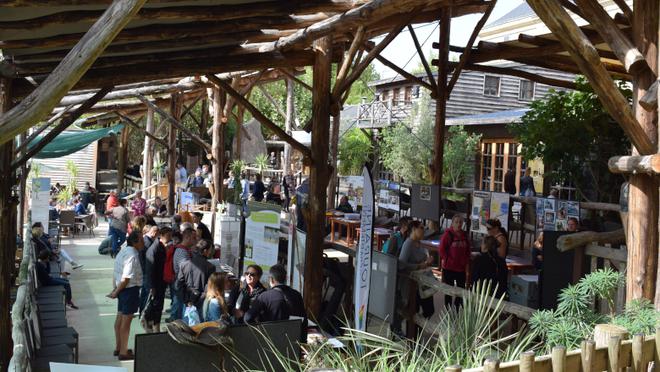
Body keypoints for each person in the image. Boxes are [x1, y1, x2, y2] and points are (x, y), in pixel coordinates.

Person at [108, 231, 144, 361]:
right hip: (129, 290)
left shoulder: (122, 251)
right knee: (126, 322)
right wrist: (116, 292)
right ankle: (124, 351)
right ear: (135, 242)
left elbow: (116, 272)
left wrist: (116, 289)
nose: (143, 242)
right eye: (141, 240)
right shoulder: (132, 255)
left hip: (122, 290)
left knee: (119, 318)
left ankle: (118, 347)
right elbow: (126, 278)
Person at [398, 221, 434, 318]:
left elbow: (423, 260)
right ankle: (414, 332)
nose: (424, 231)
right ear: (414, 229)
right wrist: (418, 266)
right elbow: (401, 265)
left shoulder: (420, 243)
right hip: (412, 285)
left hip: (423, 283)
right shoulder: (408, 244)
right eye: (421, 228)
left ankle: (418, 330)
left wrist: (428, 261)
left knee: (429, 310)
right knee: (414, 311)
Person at [438, 215, 471, 308]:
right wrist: (448, 259)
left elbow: (468, 251)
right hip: (449, 268)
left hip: (461, 269)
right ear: (452, 223)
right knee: (448, 291)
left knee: (460, 291)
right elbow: (441, 250)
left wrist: (466, 262)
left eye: (460, 222)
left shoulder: (465, 235)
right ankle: (447, 311)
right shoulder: (448, 235)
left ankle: (457, 309)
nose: (459, 224)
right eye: (456, 222)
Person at [177, 240, 216, 318]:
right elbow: (208, 287)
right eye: (210, 250)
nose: (211, 252)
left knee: (186, 326)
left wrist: (186, 301)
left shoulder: (184, 265)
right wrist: (198, 300)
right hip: (201, 302)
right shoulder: (210, 267)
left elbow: (179, 285)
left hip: (187, 302)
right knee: (199, 327)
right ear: (205, 251)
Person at [142, 227, 170, 332]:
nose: (170, 238)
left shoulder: (160, 247)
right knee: (156, 305)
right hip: (156, 283)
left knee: (157, 304)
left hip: (160, 282)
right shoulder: (154, 249)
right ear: (161, 236)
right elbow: (150, 269)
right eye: (168, 235)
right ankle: (152, 324)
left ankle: (152, 324)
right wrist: (151, 286)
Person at [168, 228, 196, 321]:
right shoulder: (181, 251)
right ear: (187, 237)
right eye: (194, 237)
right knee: (178, 308)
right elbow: (185, 269)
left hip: (181, 284)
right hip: (181, 285)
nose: (196, 240)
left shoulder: (185, 250)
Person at [140, 225, 159, 316]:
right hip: (146, 271)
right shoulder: (148, 242)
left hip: (144, 270)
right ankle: (144, 311)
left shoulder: (146, 240)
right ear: (154, 233)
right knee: (147, 293)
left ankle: (142, 310)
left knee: (144, 292)